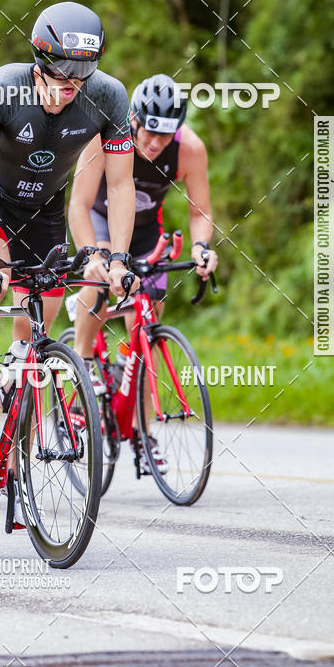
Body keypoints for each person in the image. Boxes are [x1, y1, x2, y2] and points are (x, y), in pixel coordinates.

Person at [0, 1, 138, 430]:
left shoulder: (109, 96)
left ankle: (12, 467)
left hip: (44, 210)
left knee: (31, 349)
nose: (73, 84)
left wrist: (118, 259)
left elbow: (120, 186)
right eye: (63, 71)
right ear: (39, 62)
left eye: (84, 72)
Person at [69, 73, 218, 474]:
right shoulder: (105, 138)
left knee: (145, 338)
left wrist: (203, 247)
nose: (154, 144)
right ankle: (82, 360)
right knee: (99, 281)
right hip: (100, 224)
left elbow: (200, 211)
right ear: (133, 119)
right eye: (149, 133)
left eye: (165, 137)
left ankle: (143, 430)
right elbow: (79, 206)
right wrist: (93, 257)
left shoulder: (190, 150)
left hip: (145, 235)